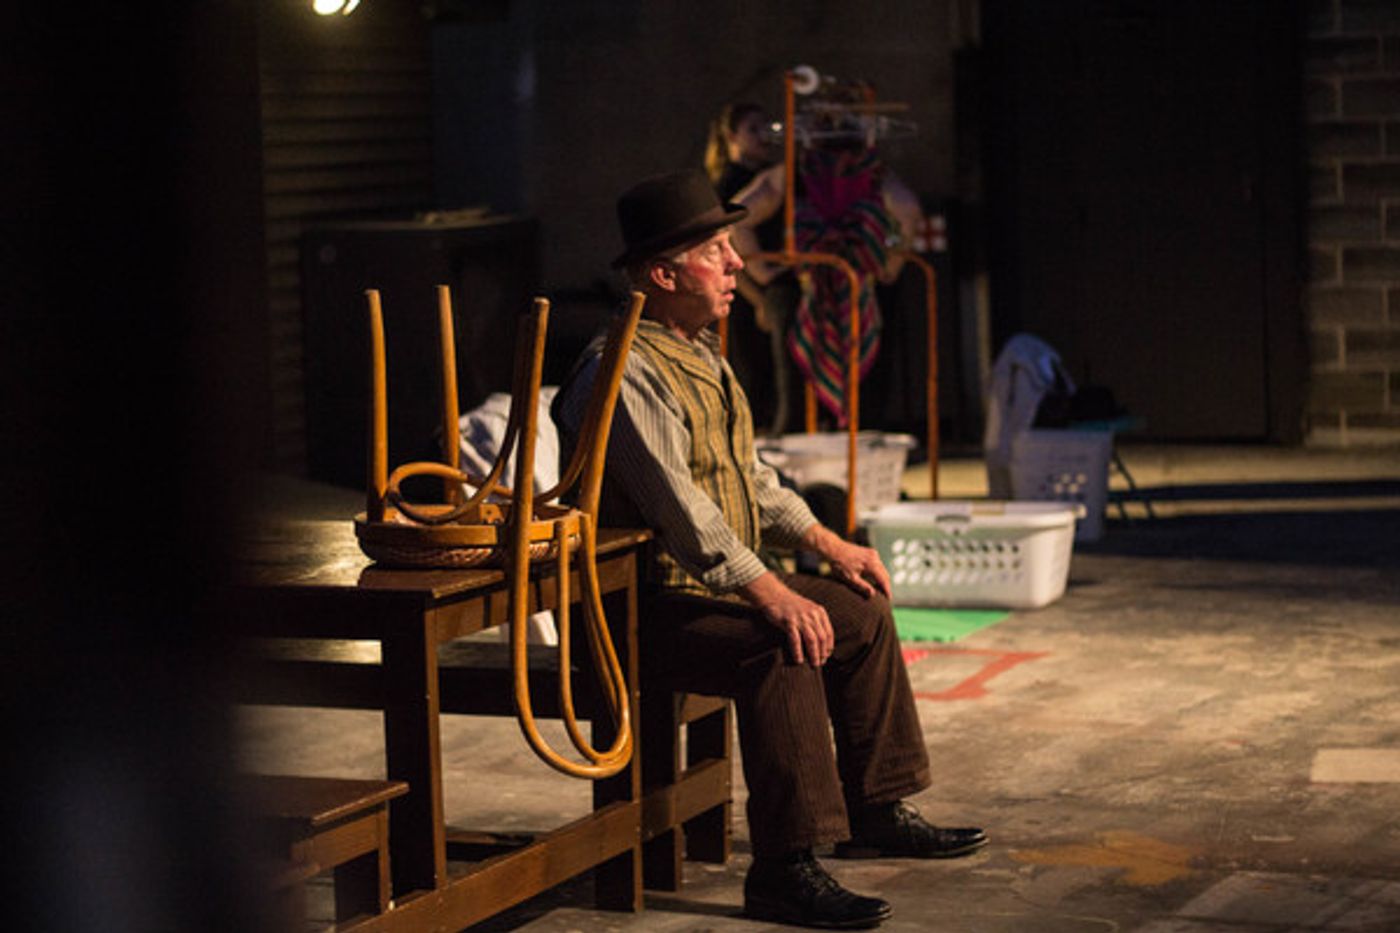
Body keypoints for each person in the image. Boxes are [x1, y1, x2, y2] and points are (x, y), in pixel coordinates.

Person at [553, 170, 986, 930]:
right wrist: (774, 590)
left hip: (710, 589)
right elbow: (682, 514)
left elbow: (751, 479)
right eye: (716, 249)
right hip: (642, 607)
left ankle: (875, 805)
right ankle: (785, 867)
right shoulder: (621, 371)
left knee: (857, 607)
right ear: (663, 274)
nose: (736, 263)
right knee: (780, 642)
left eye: (730, 245)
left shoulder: (701, 353)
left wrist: (826, 542)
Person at [705, 102, 804, 436]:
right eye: (753, 129)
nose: (764, 136)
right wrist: (757, 297)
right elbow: (721, 245)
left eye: (767, 127)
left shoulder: (771, 177)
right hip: (747, 291)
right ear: (732, 136)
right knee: (753, 374)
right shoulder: (728, 184)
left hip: (768, 284)